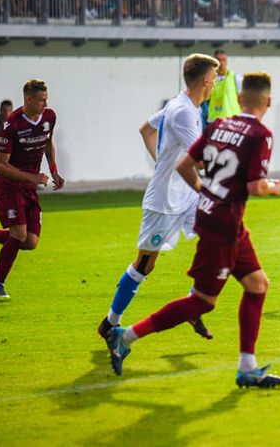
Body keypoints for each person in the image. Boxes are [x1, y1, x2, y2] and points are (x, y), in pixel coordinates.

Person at [108, 72, 280, 389]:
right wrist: (273, 186)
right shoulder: (261, 134)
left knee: (257, 285)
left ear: (240, 99)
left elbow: (184, 165)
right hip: (224, 225)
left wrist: (207, 193)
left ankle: (247, 367)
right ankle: (126, 336)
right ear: (268, 102)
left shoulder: (219, 125)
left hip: (221, 219)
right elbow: (255, 187)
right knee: (203, 301)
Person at [97, 54, 218, 342]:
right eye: (214, 78)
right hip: (164, 201)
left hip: (186, 194)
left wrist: (163, 161)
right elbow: (201, 160)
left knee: (219, 239)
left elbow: (145, 130)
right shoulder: (183, 112)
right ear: (205, 80)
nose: (215, 84)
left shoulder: (181, 105)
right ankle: (110, 324)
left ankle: (193, 306)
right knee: (144, 265)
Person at [0, 80, 64, 300]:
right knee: (19, 234)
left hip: (28, 186)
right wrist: (33, 177)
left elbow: (48, 141)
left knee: (30, 241)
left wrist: (54, 170)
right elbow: (0, 165)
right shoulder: (12, 124)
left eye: (47, 99)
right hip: (9, 184)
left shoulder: (49, 116)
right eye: (42, 100)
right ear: (29, 99)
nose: (46, 104)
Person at [208, 50, 242, 122]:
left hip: (231, 119)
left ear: (227, 61)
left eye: (224, 60)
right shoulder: (209, 79)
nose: (221, 63)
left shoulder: (235, 77)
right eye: (218, 60)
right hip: (214, 120)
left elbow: (242, 99)